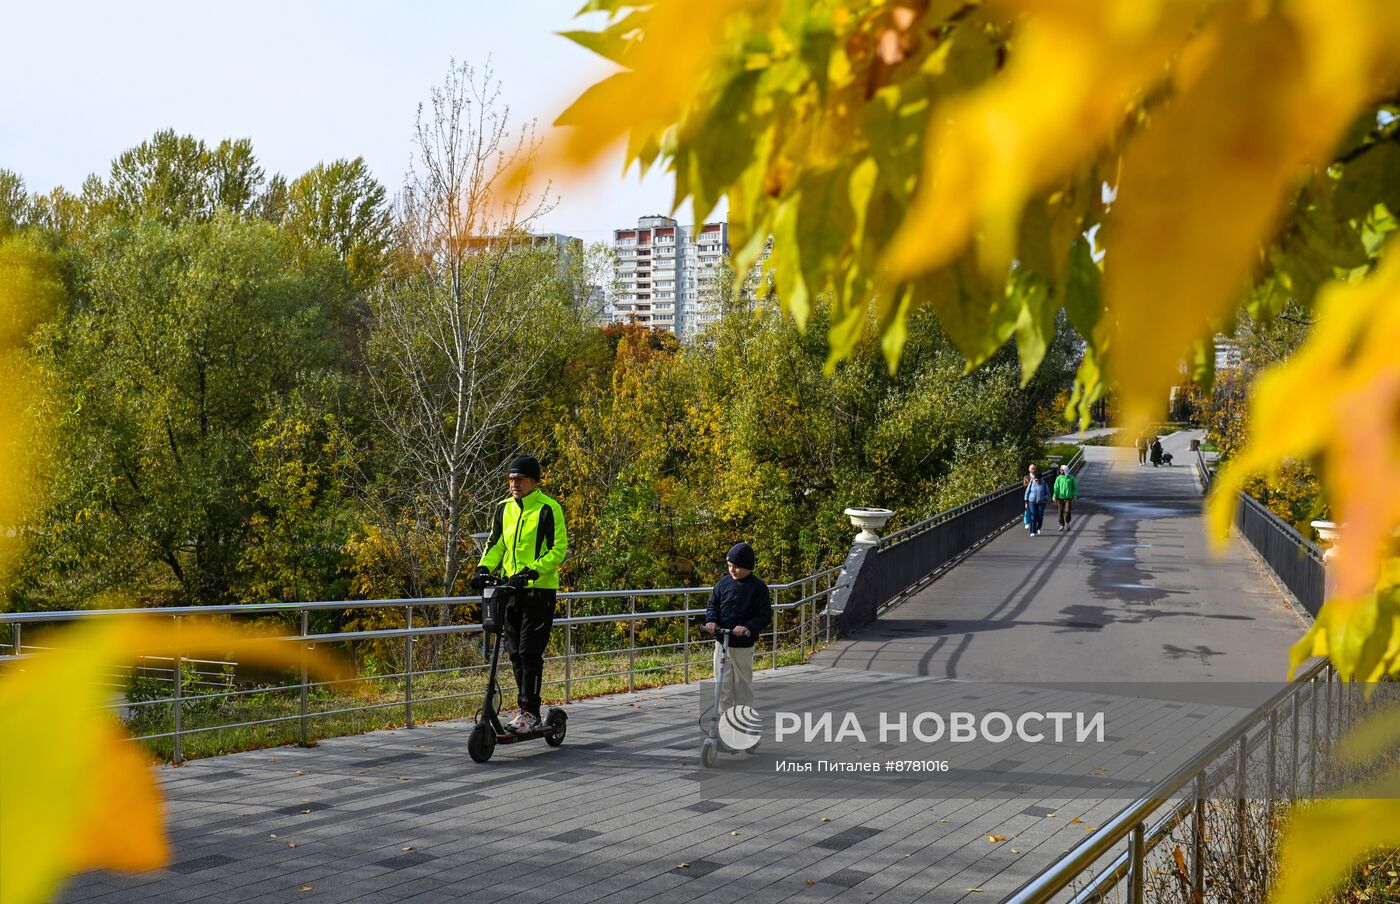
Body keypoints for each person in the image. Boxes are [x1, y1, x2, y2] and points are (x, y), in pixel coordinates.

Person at [472, 455, 568, 733]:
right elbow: (497, 544)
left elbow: (557, 550)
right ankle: (524, 710)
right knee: (514, 652)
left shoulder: (549, 509)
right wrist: (483, 568)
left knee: (529, 652)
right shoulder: (503, 509)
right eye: (511, 479)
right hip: (510, 589)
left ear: (534, 481)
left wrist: (531, 571)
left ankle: (531, 712)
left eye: (520, 479)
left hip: (539, 591)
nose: (514, 484)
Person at [704, 542, 772, 724]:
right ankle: (725, 723)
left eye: (736, 566)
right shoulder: (723, 583)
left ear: (748, 567)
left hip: (742, 646)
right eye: (729, 566)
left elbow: (764, 615)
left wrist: (748, 626)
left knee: (741, 688)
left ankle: (744, 724)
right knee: (723, 687)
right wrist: (711, 621)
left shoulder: (758, 587)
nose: (732, 570)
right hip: (722, 643)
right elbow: (713, 605)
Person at [1024, 464, 1051, 536]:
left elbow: (1048, 494)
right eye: (1036, 480)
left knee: (1040, 516)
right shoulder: (1032, 482)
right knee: (1033, 516)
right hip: (1032, 501)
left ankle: (1038, 527)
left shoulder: (1044, 484)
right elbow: (1027, 492)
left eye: (1038, 480)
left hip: (1041, 502)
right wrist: (1026, 501)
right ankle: (1033, 531)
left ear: (1041, 479)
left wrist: (1044, 498)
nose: (1037, 481)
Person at [1053, 464, 1079, 532]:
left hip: (1068, 497)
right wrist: (1054, 496)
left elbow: (1075, 487)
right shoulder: (1058, 478)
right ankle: (1062, 525)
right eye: (1060, 469)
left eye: (1062, 469)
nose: (1060, 470)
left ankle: (1068, 522)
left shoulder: (1071, 478)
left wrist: (1075, 494)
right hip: (1060, 497)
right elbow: (1056, 488)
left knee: (1067, 511)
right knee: (1060, 512)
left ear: (1065, 470)